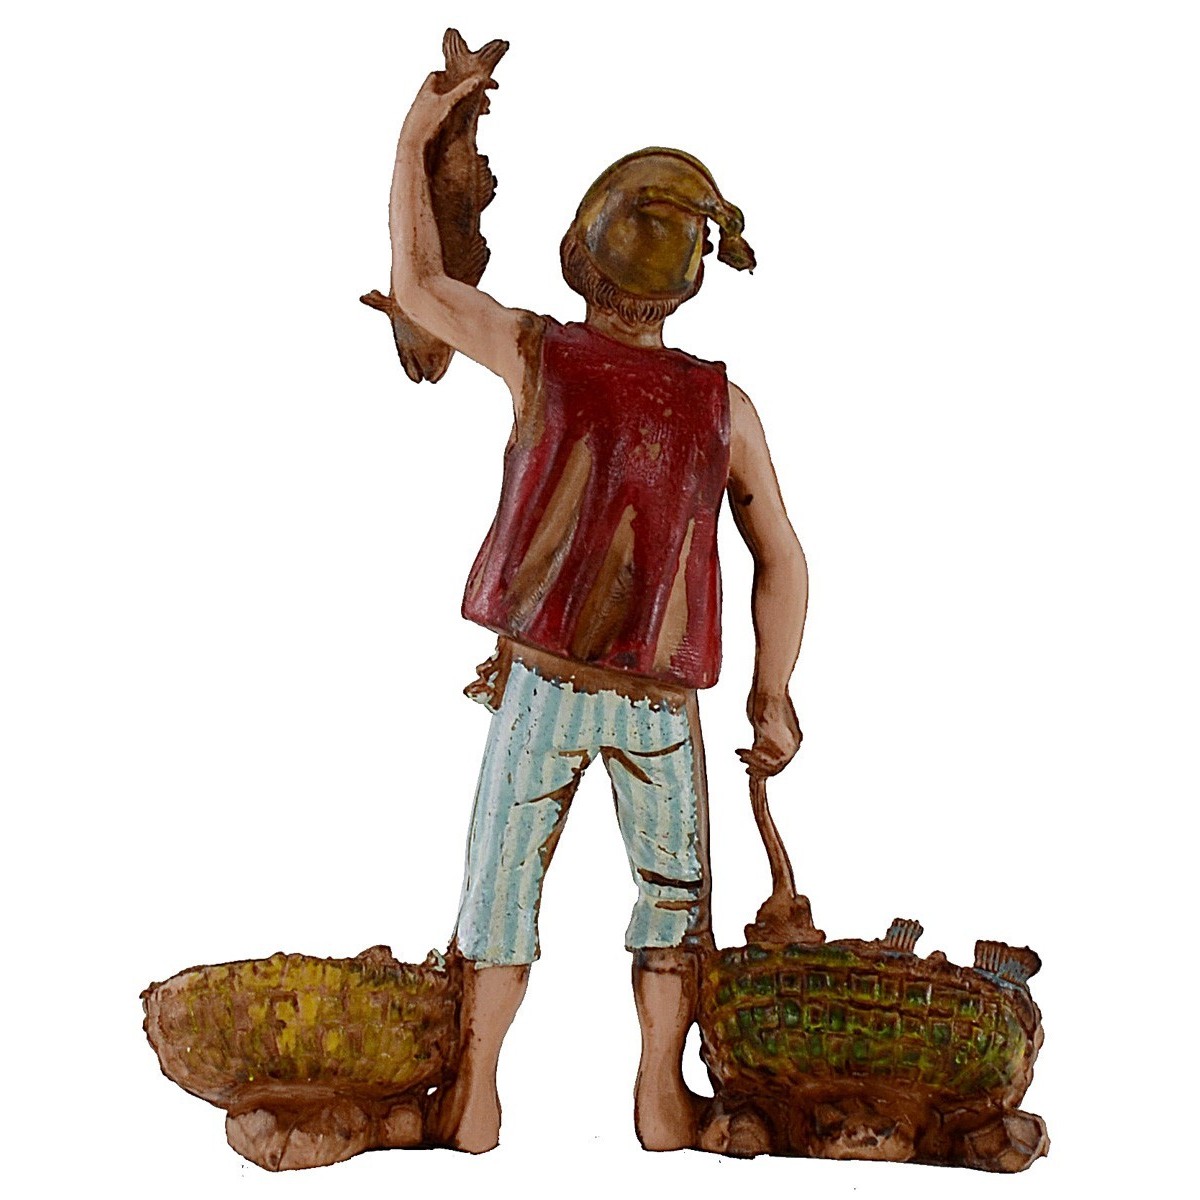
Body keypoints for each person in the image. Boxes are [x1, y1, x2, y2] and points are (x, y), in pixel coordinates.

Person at [389, 71, 808, 1153]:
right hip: (661, 707)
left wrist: (415, 138)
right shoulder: (725, 407)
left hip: (542, 686)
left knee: (498, 889)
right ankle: (662, 1101)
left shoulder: (537, 355)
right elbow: (780, 557)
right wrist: (772, 692)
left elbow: (420, 285)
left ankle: (474, 1096)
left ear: (582, 254)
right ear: (689, 282)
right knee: (674, 900)